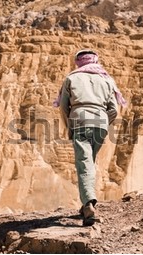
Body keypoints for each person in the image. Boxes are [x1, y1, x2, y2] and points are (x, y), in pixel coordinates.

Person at [53, 49, 126, 226]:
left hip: (80, 119)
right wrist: (103, 121)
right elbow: (114, 109)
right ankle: (86, 202)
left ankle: (88, 205)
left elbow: (63, 107)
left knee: (83, 162)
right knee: (89, 161)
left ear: (78, 62)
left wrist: (69, 126)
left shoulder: (72, 78)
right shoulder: (106, 79)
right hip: (101, 122)